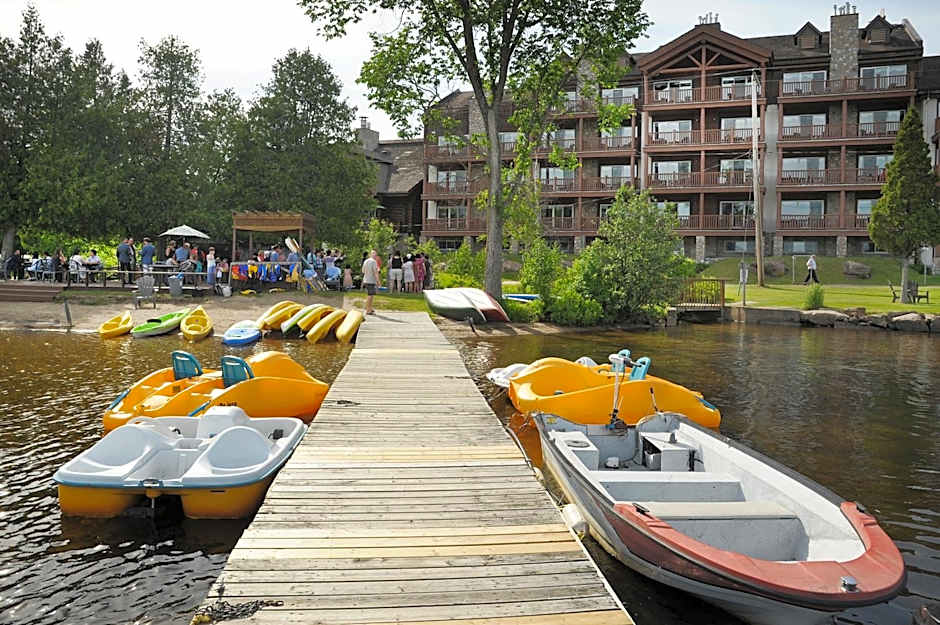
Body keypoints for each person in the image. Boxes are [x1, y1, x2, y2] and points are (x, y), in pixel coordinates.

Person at [361, 249, 381, 315]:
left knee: (371, 295)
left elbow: (363, 271)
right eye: (374, 254)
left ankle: (370, 308)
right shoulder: (374, 262)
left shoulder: (366, 261)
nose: (375, 255)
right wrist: (378, 281)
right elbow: (375, 272)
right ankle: (368, 310)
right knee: (370, 295)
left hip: (366, 279)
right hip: (371, 280)